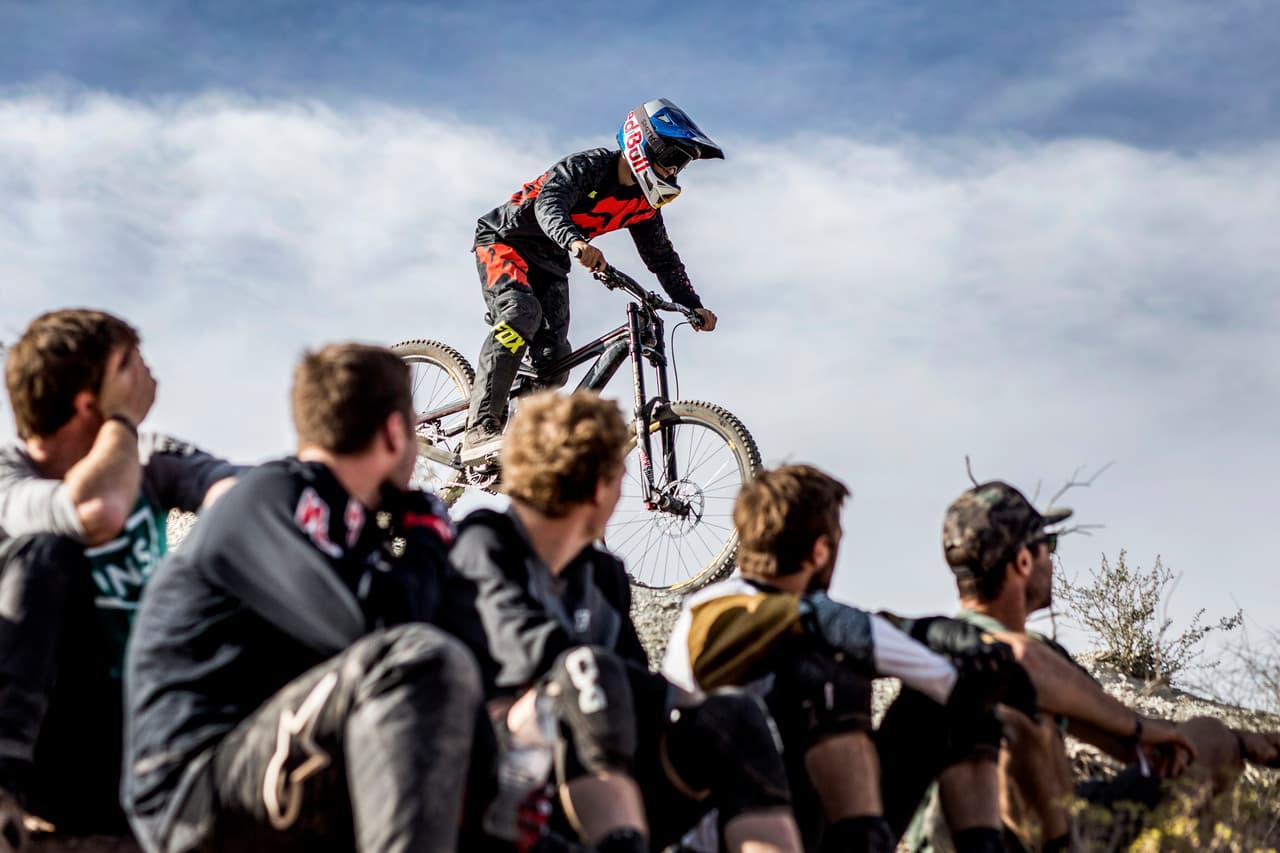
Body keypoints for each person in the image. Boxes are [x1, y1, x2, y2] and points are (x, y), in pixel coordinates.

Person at [122, 343, 485, 853]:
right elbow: (379, 633)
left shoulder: (351, 521)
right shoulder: (274, 494)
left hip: (270, 751)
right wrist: (425, 536)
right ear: (395, 431)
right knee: (420, 663)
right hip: (191, 789)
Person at [447, 391, 803, 853]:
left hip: (590, 769)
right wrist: (669, 692)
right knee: (587, 672)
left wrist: (692, 709)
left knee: (731, 717)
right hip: (486, 777)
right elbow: (533, 656)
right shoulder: (484, 542)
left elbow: (636, 691)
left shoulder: (603, 575)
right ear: (600, 486)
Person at [661, 464, 1046, 853]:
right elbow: (832, 623)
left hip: (816, 825)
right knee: (828, 674)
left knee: (940, 702)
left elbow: (837, 624)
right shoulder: (713, 611)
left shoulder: (788, 616)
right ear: (821, 550)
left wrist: (967, 677)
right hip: (731, 833)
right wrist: (951, 675)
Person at [914, 480, 1280, 851]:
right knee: (1021, 726)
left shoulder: (1026, 651)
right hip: (982, 837)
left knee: (1209, 738)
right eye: (1048, 546)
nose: (1052, 561)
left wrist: (1240, 739)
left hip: (1062, 821)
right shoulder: (966, 651)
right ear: (1024, 562)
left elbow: (1130, 741)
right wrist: (1141, 730)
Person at [0, 309, 239, 847]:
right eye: (131, 365)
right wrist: (123, 422)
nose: (150, 376)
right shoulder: (7, 476)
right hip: (49, 751)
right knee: (44, 553)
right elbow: (95, 510)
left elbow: (242, 497)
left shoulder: (149, 459)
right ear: (92, 402)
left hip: (141, 740)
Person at [460, 98, 722, 463]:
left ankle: (515, 444)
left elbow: (662, 259)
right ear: (642, 145)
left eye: (680, 165)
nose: (673, 170)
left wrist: (692, 305)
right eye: (671, 158)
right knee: (520, 315)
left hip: (551, 259)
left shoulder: (643, 206)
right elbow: (548, 204)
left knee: (554, 360)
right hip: (506, 241)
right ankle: (479, 430)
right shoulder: (590, 167)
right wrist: (575, 241)